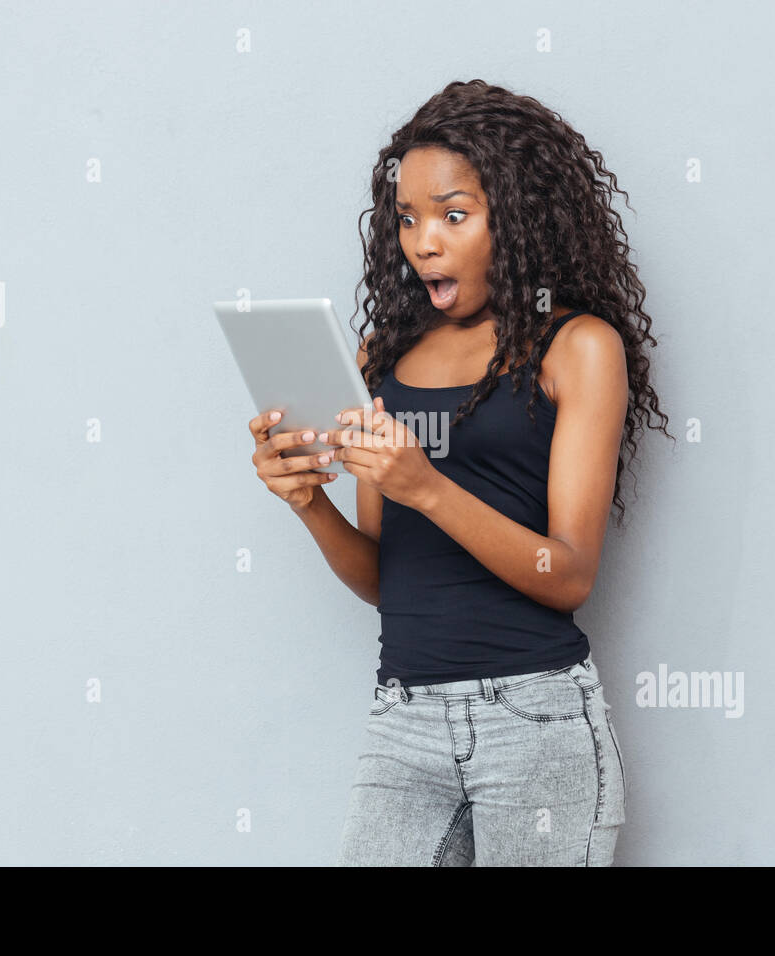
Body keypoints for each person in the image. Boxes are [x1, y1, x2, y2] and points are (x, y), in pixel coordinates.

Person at [248, 79, 671, 865]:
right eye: (407, 219)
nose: (423, 242)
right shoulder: (382, 360)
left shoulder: (578, 348)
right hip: (402, 717)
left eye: (452, 214)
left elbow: (569, 571)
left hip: (536, 720)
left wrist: (427, 488)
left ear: (516, 217)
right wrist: (309, 504)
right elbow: (386, 576)